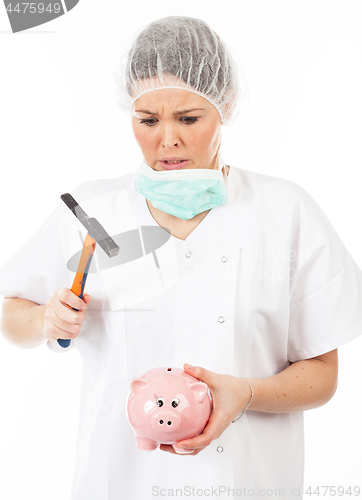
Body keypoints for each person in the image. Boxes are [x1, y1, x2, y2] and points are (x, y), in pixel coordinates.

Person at [0, 15, 361, 500]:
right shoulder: (91, 211)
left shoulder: (285, 210)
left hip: (247, 481)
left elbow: (321, 375)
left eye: (189, 118)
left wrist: (247, 394)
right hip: (117, 481)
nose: (167, 139)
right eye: (148, 120)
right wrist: (46, 319)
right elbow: (11, 314)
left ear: (225, 106)